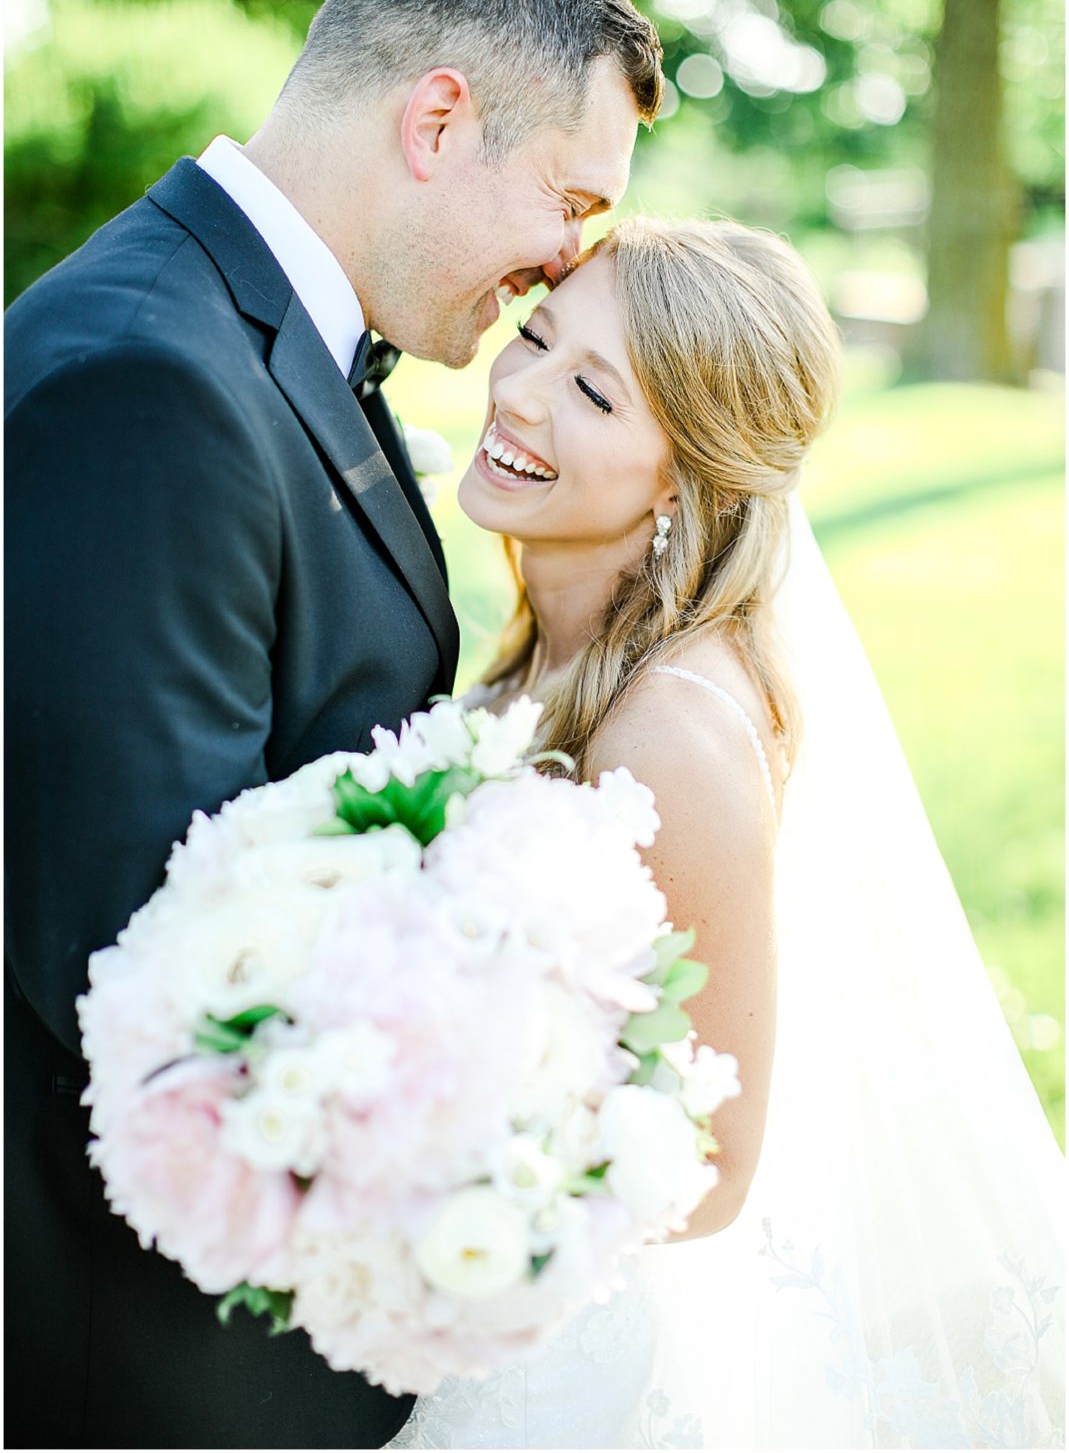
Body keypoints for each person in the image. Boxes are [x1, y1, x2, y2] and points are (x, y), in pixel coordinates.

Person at [3, 0, 662, 1451]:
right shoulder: (149, 383)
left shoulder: (245, 336)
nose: (565, 259)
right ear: (439, 118)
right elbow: (130, 957)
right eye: (566, 199)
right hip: (152, 1364)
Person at [388, 218, 1066, 1448]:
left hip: (562, 1357)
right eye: (535, 337)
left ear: (684, 475)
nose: (520, 392)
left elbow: (706, 1165)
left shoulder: (670, 733)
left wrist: (387, 1153)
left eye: (592, 390)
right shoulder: (554, 642)